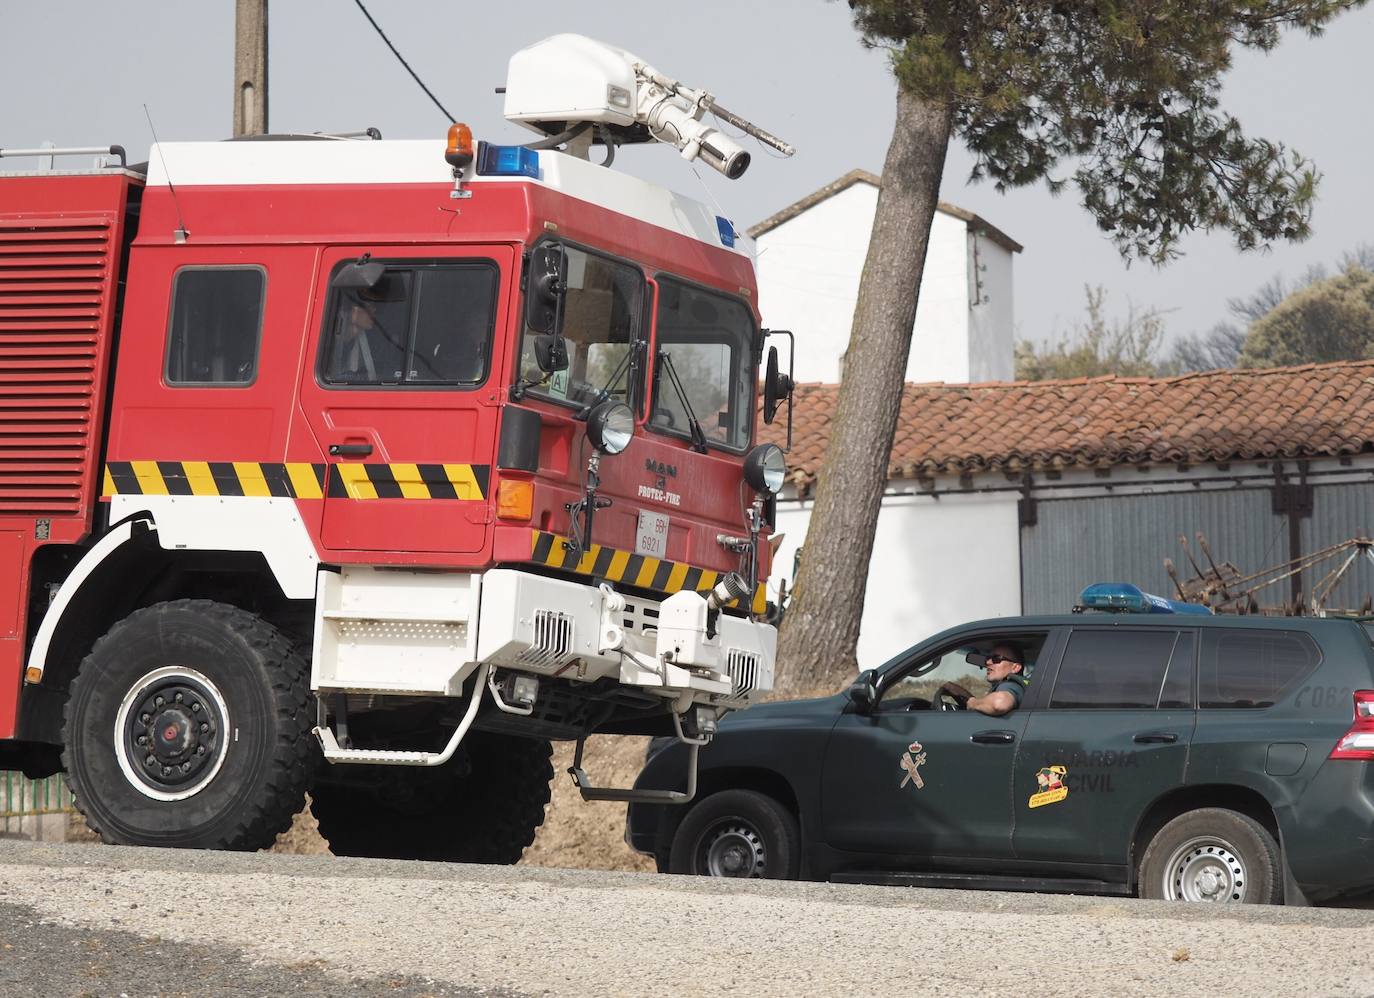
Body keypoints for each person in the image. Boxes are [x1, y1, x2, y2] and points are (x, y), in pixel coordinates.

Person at [939, 642, 1029, 716]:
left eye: (996, 659)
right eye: (988, 658)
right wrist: (967, 698)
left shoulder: (1011, 685)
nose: (988, 662)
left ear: (1015, 667)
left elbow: (999, 703)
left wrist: (974, 703)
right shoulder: (1019, 687)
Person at [333, 299, 379, 381]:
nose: (374, 310)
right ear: (353, 311)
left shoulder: (366, 345)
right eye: (368, 306)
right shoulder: (329, 345)